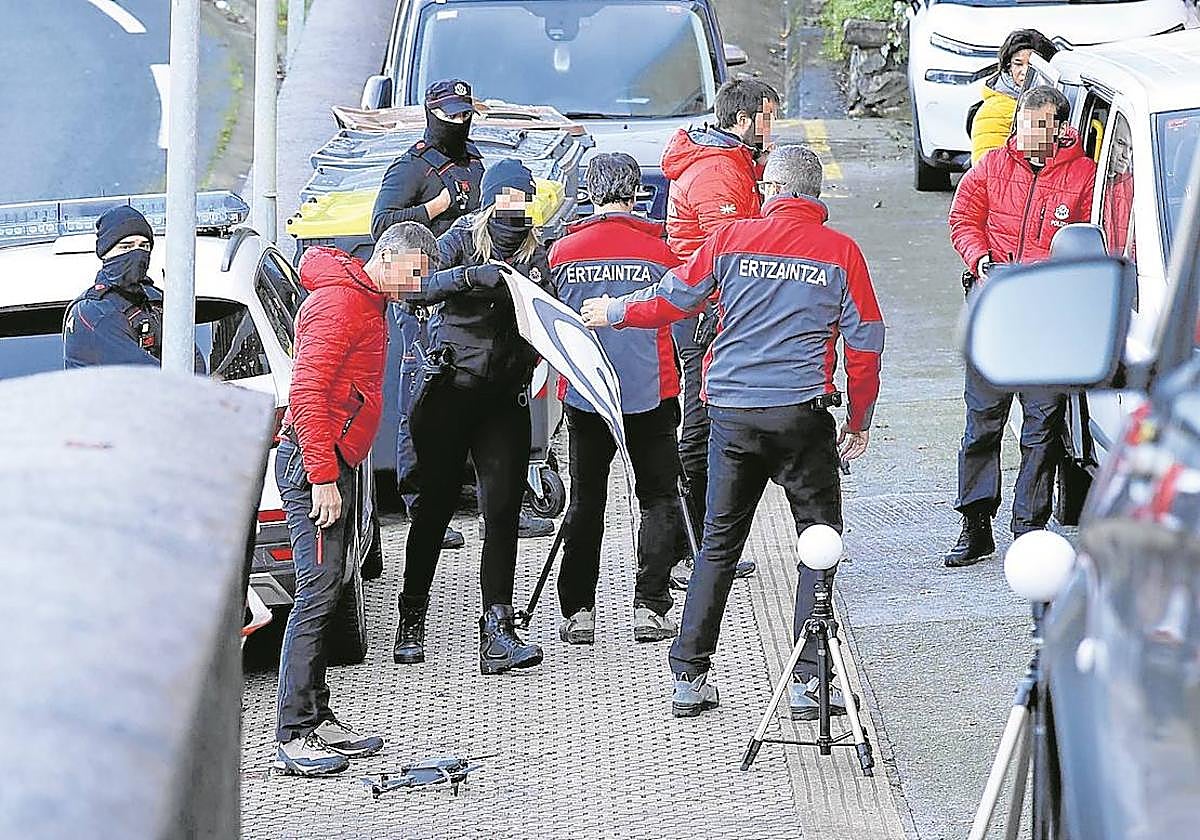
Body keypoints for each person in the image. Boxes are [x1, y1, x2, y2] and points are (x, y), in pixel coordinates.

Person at [581, 145, 885, 720]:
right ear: (815, 195)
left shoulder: (730, 241)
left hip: (732, 414)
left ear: (770, 188)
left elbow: (675, 298)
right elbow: (866, 344)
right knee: (817, 544)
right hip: (802, 413)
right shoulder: (842, 252)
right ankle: (808, 683)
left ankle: (690, 675)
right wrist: (859, 421)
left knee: (719, 542)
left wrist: (615, 311)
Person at [273, 222, 438, 776]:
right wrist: (322, 474)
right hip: (315, 463)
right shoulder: (342, 305)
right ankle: (295, 732)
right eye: (416, 272)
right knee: (317, 592)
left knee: (333, 584)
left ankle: (318, 717)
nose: (419, 285)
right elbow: (306, 392)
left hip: (336, 460)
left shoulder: (368, 301)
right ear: (391, 258)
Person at [392, 158, 549, 674]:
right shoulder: (459, 238)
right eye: (504, 202)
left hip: (505, 399)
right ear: (487, 201)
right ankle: (411, 615)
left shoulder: (537, 254)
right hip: (449, 391)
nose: (512, 214)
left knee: (501, 511)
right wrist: (467, 277)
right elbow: (414, 289)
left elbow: (548, 317)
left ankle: (498, 628)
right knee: (434, 508)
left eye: (521, 204)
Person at [946, 86, 1097, 567]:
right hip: (995, 310)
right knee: (982, 423)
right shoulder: (991, 166)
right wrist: (978, 255)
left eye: (1039, 125)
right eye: (1024, 123)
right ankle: (975, 524)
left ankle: (1028, 528)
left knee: (1041, 426)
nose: (1027, 134)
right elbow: (963, 218)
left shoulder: (1086, 178)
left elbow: (1103, 233)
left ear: (1060, 127)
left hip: (1049, 320)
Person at [547, 152, 684, 645]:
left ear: (589, 192)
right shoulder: (660, 253)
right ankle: (650, 606)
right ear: (635, 193)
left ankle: (578, 611)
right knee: (658, 498)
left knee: (586, 500)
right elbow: (680, 317)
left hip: (586, 396)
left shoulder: (564, 251)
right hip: (651, 391)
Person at [660, 78, 780, 584]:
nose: (773, 128)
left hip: (707, 309)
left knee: (708, 421)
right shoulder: (716, 172)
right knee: (701, 425)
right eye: (768, 117)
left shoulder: (730, 163)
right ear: (744, 119)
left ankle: (703, 543)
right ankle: (695, 547)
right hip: (707, 313)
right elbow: (728, 253)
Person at [372, 78, 487, 552]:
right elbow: (380, 226)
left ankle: (462, 487)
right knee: (420, 393)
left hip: (465, 296)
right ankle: (418, 500)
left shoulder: (476, 163)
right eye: (452, 115)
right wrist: (432, 208)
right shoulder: (412, 168)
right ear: (433, 113)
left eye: (466, 114)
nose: (460, 123)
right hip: (418, 296)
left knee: (466, 396)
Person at [64, 206, 176, 369]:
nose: (137, 253)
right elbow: (157, 379)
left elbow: (190, 355)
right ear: (105, 254)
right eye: (126, 246)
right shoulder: (95, 313)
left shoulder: (154, 299)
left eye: (144, 246)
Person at [970, 29, 1058, 166]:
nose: (1025, 72)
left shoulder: (1055, 99)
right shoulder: (994, 111)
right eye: (1018, 64)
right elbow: (988, 172)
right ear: (1008, 67)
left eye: (1032, 65)